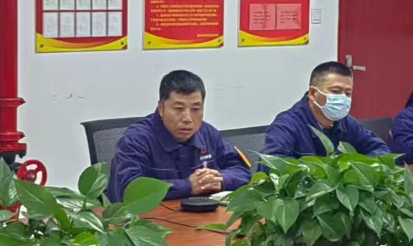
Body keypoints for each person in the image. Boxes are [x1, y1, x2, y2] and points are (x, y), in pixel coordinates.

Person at [104, 70, 252, 202]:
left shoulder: (208, 133)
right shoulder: (136, 140)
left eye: (195, 109)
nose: (187, 118)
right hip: (148, 220)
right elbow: (129, 190)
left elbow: (242, 171)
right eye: (179, 108)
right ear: (161, 108)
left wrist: (220, 180)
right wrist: (188, 186)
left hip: (199, 217)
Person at [261, 61, 391, 159]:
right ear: (313, 93)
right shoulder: (287, 125)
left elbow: (380, 149)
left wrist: (356, 169)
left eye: (347, 93)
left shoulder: (347, 122)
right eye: (335, 91)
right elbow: (272, 164)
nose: (343, 98)